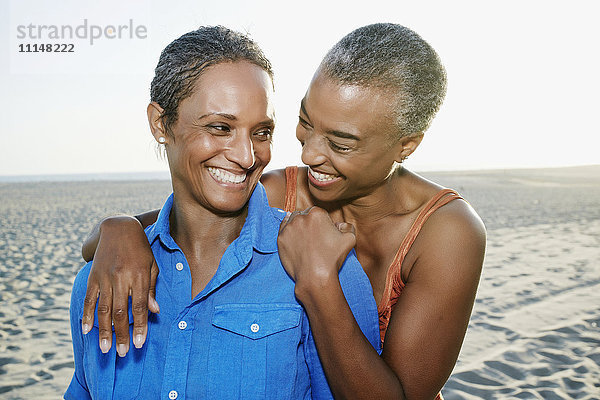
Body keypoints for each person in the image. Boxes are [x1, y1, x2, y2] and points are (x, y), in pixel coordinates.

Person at [82, 23, 486, 399]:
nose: (309, 153)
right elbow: (174, 224)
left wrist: (319, 283)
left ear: (406, 146)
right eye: (306, 123)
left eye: (340, 143)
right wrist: (118, 229)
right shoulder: (278, 191)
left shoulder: (448, 232)